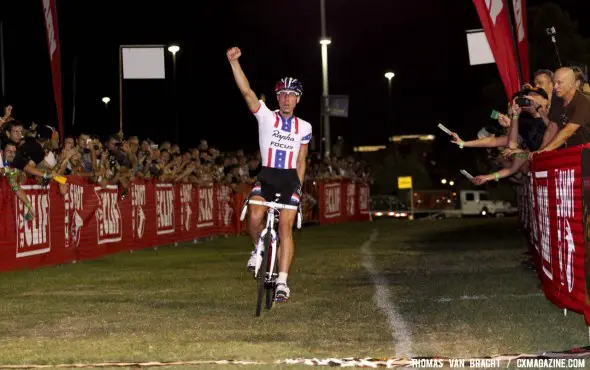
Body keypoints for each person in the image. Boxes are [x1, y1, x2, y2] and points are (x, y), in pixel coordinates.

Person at [227, 46, 312, 302]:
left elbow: (301, 160)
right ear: (277, 98)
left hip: (289, 180)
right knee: (254, 216)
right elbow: (246, 91)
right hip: (266, 176)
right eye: (283, 95)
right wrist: (234, 63)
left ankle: (283, 283)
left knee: (286, 228)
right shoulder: (265, 116)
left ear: (298, 99)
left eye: (292, 95)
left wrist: (299, 187)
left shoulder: (304, 127)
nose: (287, 99)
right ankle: (259, 249)